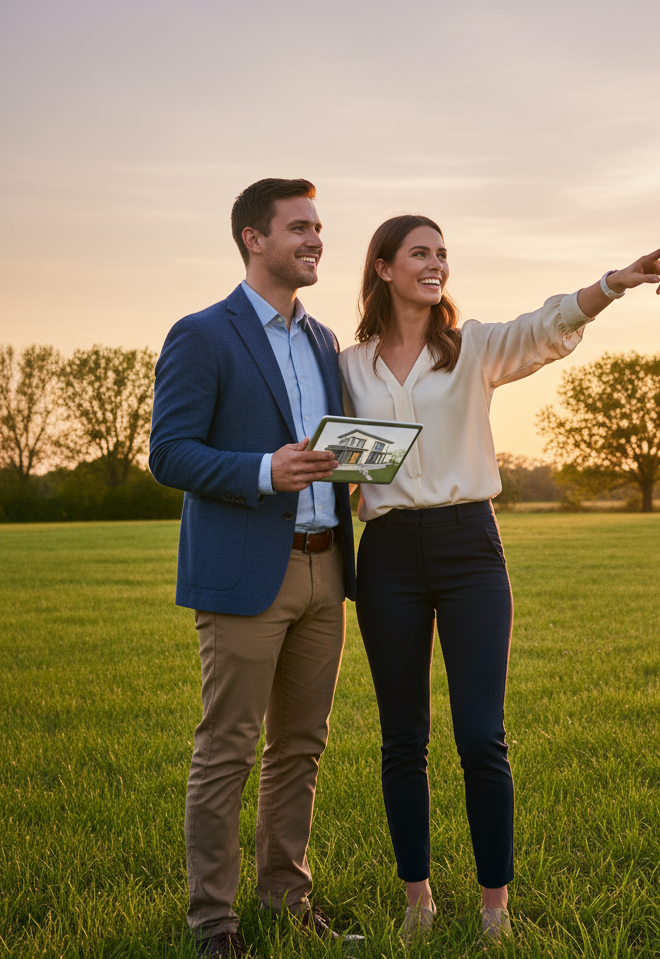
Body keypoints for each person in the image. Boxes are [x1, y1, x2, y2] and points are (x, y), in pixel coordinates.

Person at [339, 214, 660, 943]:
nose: (436, 264)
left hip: (469, 549)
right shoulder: (348, 366)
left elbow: (546, 325)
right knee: (403, 737)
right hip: (389, 555)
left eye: (443, 254)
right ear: (385, 268)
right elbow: (336, 456)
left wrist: (614, 282)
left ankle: (496, 909)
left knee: (482, 735)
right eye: (421, 254)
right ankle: (417, 900)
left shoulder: (474, 347)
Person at [150, 178, 361, 959]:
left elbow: (326, 450)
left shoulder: (324, 340)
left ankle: (285, 897)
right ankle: (214, 923)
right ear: (253, 238)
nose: (315, 242)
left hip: (325, 569)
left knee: (301, 746)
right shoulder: (202, 334)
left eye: (318, 230)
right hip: (244, 575)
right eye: (299, 228)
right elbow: (168, 454)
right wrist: (263, 470)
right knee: (228, 748)